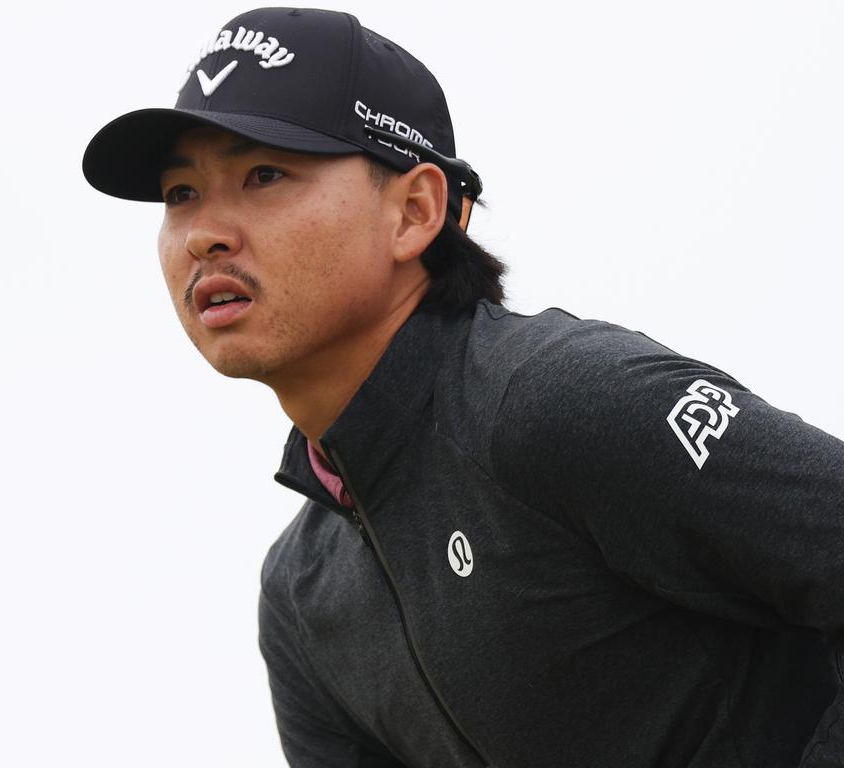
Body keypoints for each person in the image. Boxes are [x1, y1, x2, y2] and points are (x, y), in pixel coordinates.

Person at [83, 7, 844, 767]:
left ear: (415, 212)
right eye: (180, 193)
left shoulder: (561, 399)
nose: (203, 233)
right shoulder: (299, 592)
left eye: (264, 174)